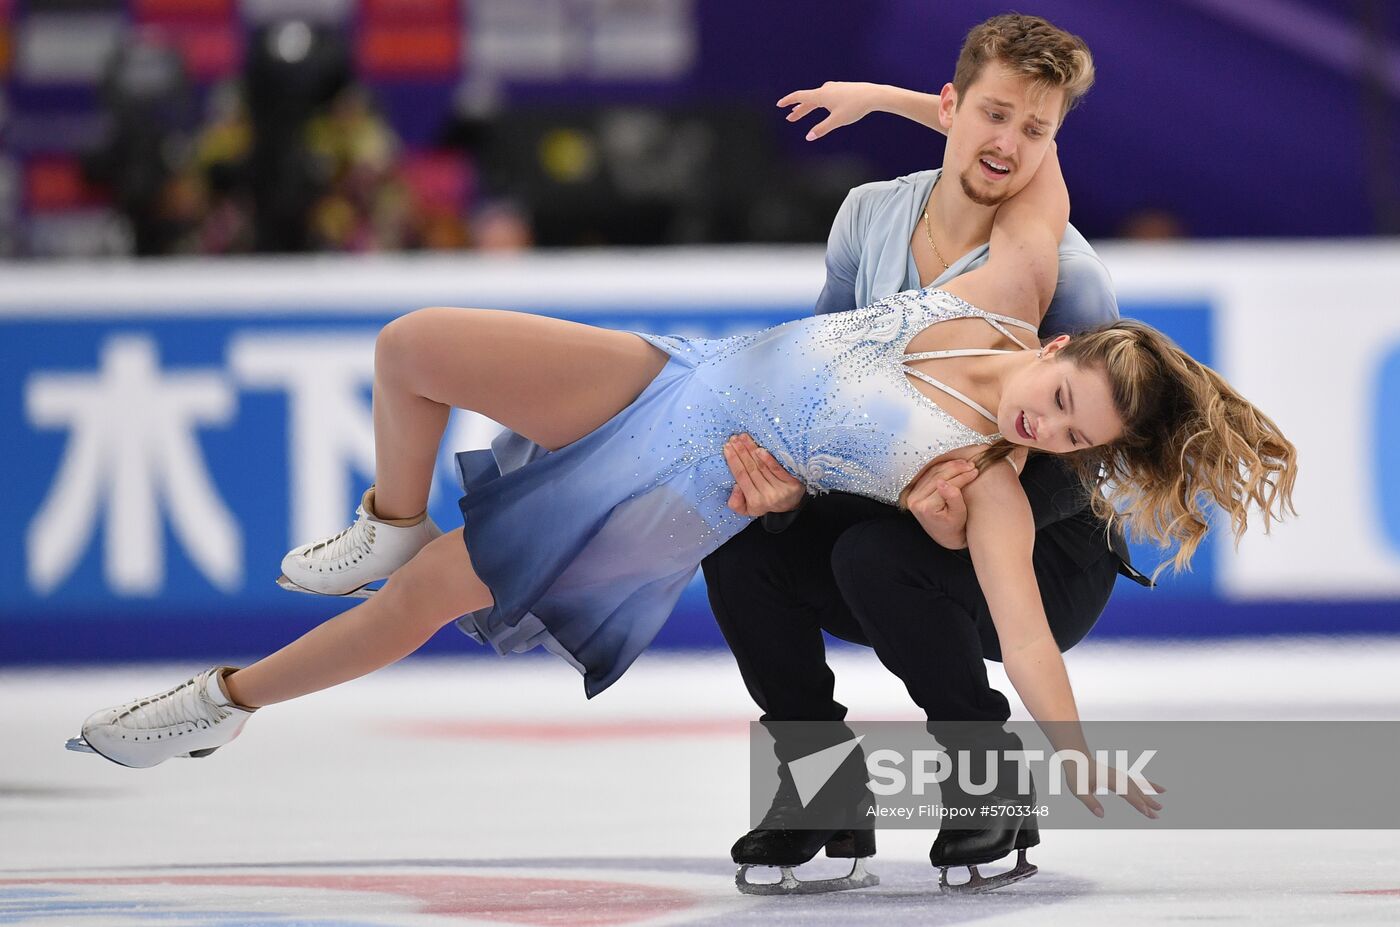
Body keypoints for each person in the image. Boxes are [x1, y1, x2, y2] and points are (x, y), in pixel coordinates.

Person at [707, 14, 1151, 893]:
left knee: (875, 554)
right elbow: (826, 376)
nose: (1009, 144)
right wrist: (794, 490)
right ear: (951, 108)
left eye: (1036, 131)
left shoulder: (1070, 273)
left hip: (1045, 551)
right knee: (747, 544)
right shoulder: (870, 216)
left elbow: (1083, 448)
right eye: (994, 116)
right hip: (903, 508)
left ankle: (988, 784)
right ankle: (823, 789)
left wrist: (984, 496)